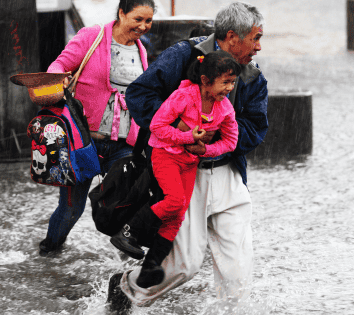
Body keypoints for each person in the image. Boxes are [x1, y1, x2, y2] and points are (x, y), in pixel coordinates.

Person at [108, 2, 267, 312]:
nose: (259, 47)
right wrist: (179, 128)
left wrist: (216, 140)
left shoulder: (252, 78)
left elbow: (255, 128)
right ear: (232, 37)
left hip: (228, 173)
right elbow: (139, 94)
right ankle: (126, 288)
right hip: (182, 171)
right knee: (185, 265)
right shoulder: (183, 56)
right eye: (256, 38)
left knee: (238, 273)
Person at [110, 50, 241, 289]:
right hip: (165, 155)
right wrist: (185, 136)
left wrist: (204, 151)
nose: (229, 88)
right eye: (225, 82)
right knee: (175, 199)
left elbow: (231, 142)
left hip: (189, 161)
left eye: (233, 82)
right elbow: (157, 126)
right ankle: (128, 232)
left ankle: (151, 266)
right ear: (205, 81)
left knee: (178, 213)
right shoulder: (184, 96)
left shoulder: (224, 109)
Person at [38, 0, 155, 256]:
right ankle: (49, 250)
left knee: (128, 203)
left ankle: (128, 264)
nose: (143, 26)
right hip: (84, 143)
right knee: (71, 209)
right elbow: (58, 65)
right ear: (122, 13)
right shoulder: (93, 36)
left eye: (148, 21)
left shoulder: (141, 49)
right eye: (138, 19)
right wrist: (60, 79)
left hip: (124, 144)